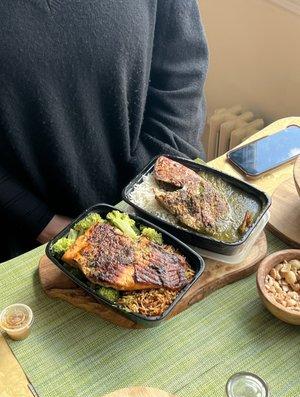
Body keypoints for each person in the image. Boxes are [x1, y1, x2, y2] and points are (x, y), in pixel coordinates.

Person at [0, 0, 208, 261]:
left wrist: (148, 195)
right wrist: (41, 221)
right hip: (27, 236)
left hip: (160, 199)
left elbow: (183, 74)